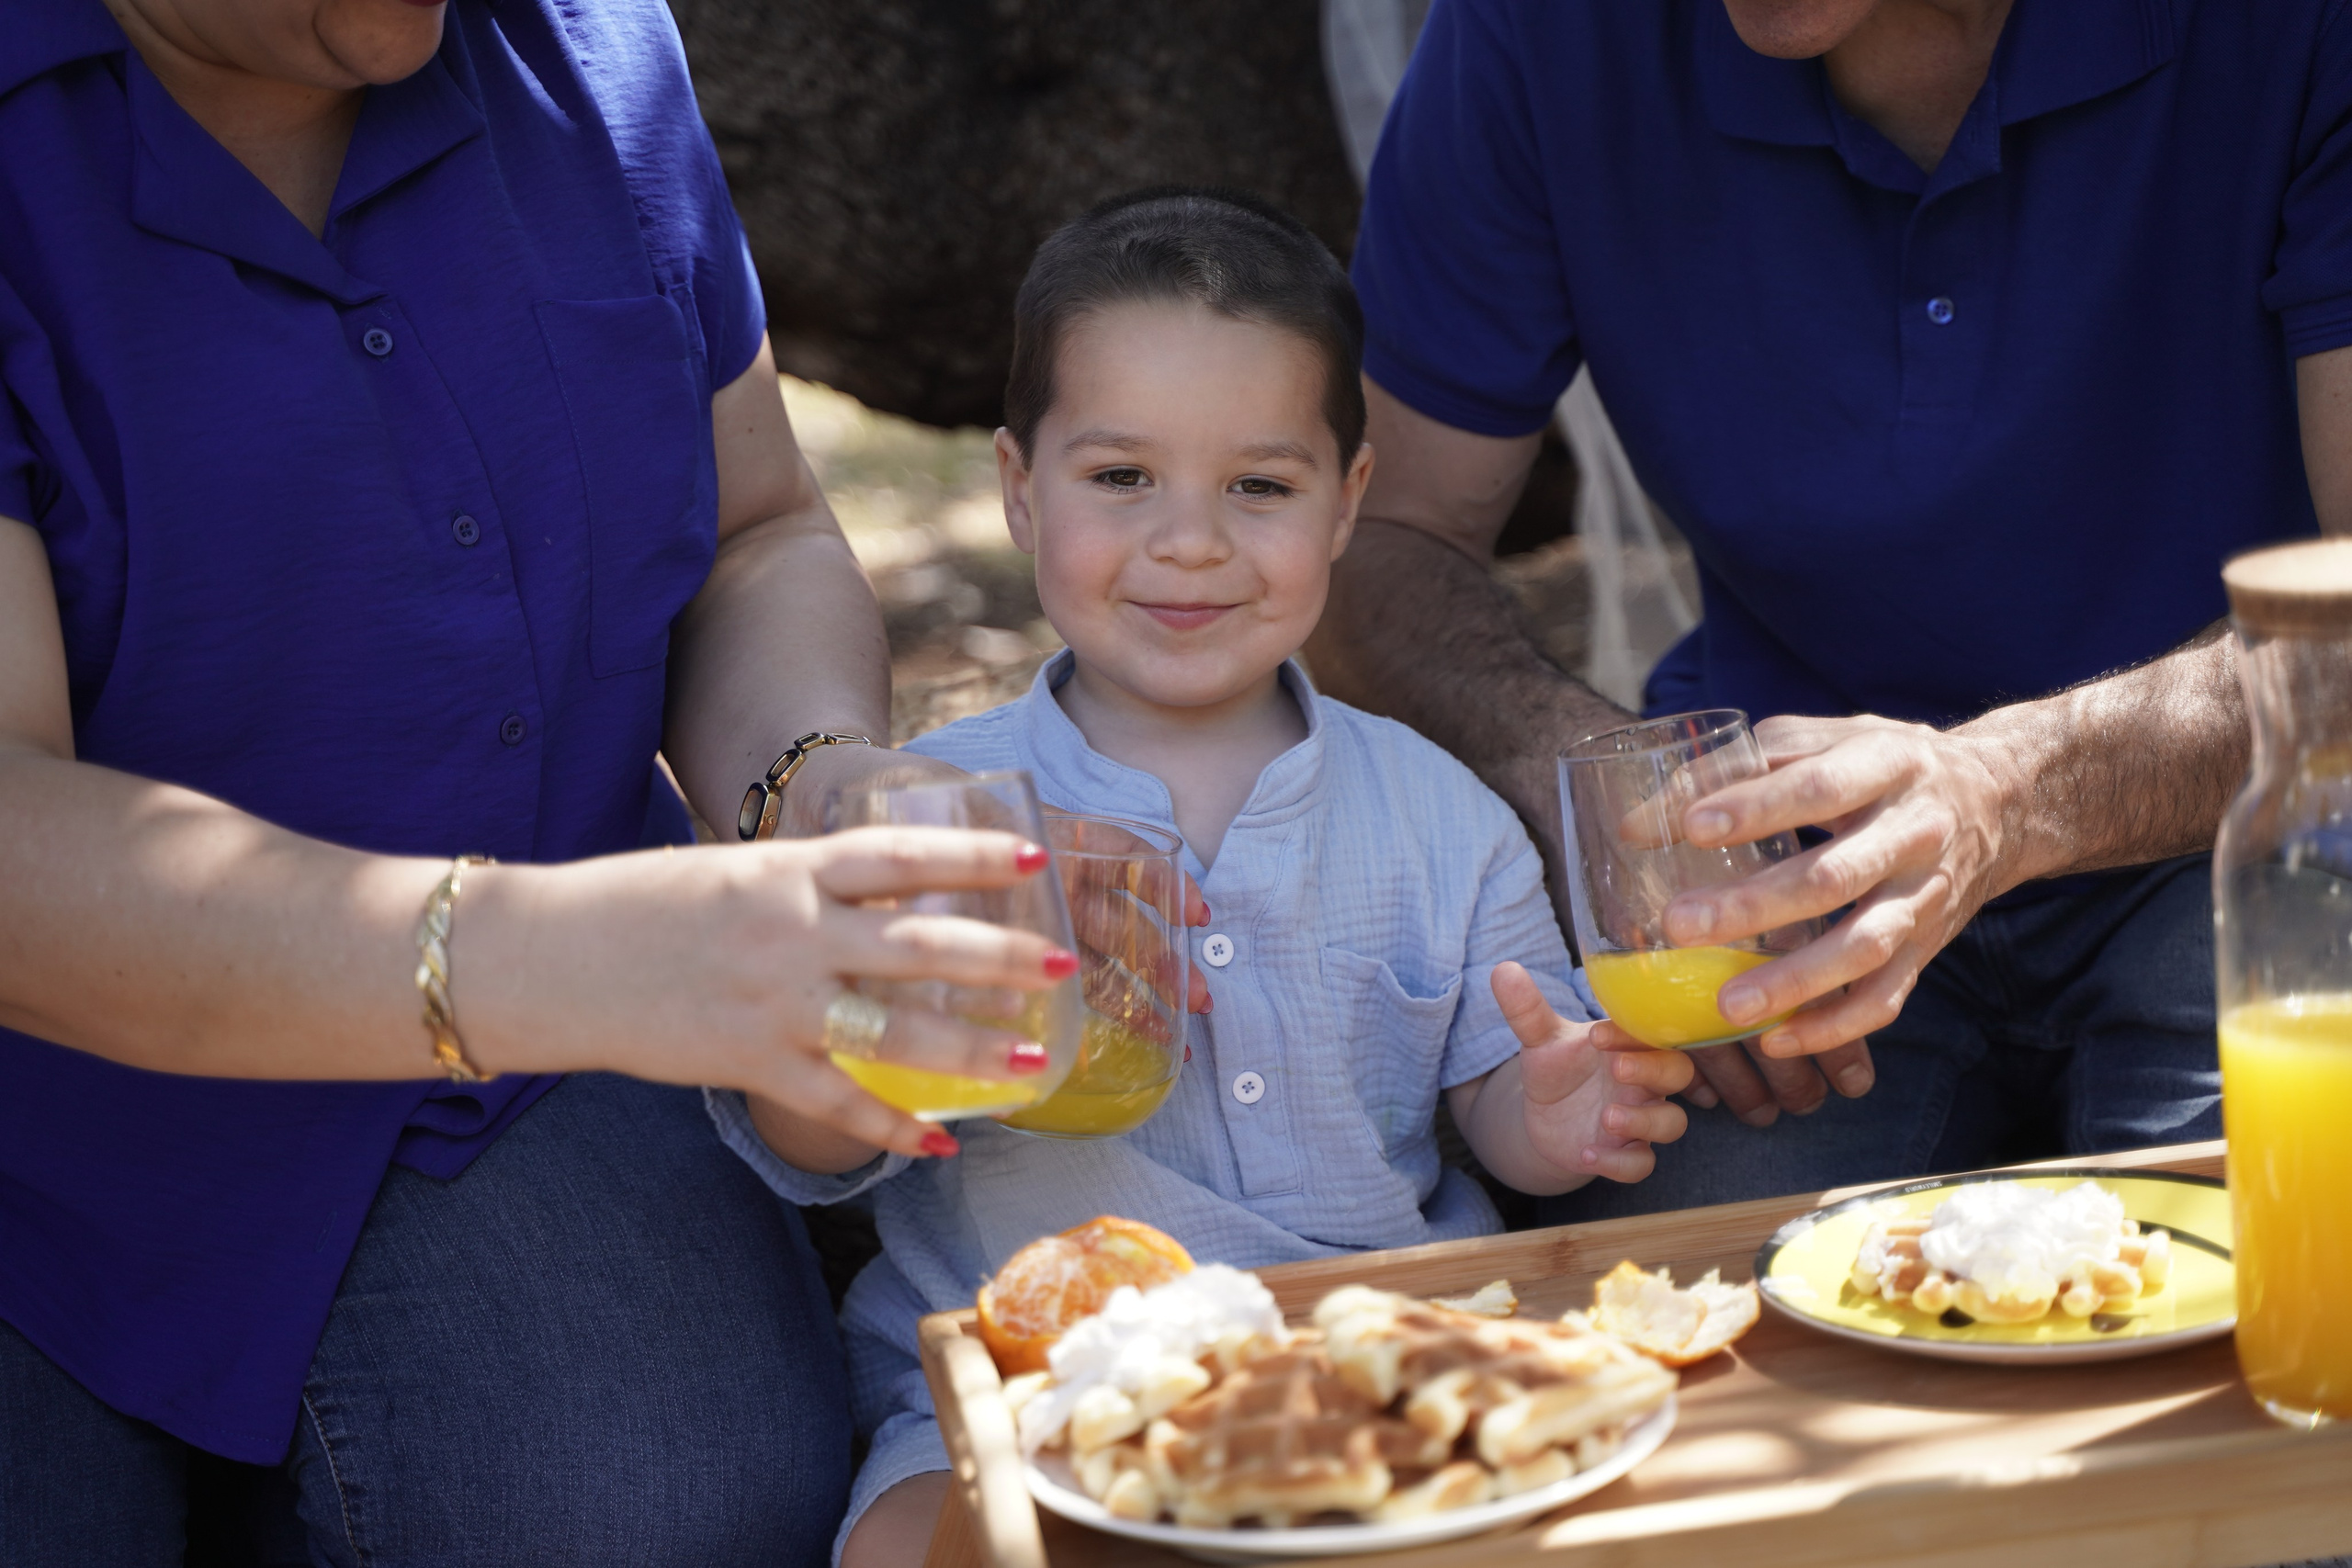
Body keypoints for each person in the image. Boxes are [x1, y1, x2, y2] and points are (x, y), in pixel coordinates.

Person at [0, 2, 1071, 1562]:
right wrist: (587, 960)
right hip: (47, 1141)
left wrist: (819, 789)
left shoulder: (583, 47)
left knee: (673, 1510)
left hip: (523, 1074)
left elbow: (756, 527)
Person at [713, 188, 1699, 1567]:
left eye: (1260, 486)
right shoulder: (934, 812)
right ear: (1016, 487)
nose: (1191, 541)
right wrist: (870, 1060)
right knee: (902, 1549)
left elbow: (1499, 1105)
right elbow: (807, 1139)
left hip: (1374, 1351)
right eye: (1122, 479)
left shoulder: (1442, 815)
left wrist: (1562, 1105)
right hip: (1025, 1380)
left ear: (1348, 504)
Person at [1305, 0, 2352, 1219]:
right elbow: (1376, 539)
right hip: (1778, 901)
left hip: (2262, 834)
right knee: (1667, 1336)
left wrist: (2000, 794)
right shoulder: (1535, 30)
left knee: (2257, 1304)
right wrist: (1618, 822)